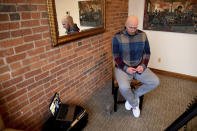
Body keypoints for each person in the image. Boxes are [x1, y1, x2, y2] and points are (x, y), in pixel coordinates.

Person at [112, 15, 159, 118]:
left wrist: (143, 65)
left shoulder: (143, 35)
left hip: (138, 67)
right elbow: (115, 56)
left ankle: (134, 95)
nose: (133, 30)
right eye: (130, 27)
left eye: (135, 27)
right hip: (123, 68)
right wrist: (126, 68)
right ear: (125, 25)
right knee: (124, 88)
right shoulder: (117, 37)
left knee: (155, 81)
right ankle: (134, 104)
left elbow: (147, 53)